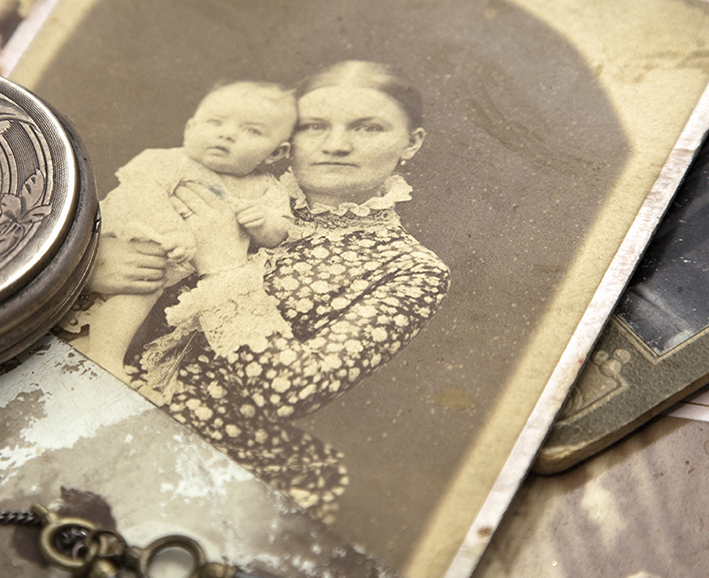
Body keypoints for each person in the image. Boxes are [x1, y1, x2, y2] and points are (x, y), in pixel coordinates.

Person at [83, 61, 450, 521]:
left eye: (368, 127)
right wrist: (89, 265)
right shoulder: (210, 175)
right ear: (287, 140)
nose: (336, 145)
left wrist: (224, 264)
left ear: (410, 143)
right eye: (315, 126)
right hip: (78, 397)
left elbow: (293, 389)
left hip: (200, 468)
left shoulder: (409, 268)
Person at [68, 80, 297, 371]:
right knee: (142, 281)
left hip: (172, 265)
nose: (227, 134)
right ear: (191, 129)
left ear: (276, 152)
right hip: (130, 236)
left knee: (144, 291)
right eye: (215, 123)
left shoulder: (266, 189)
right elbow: (143, 190)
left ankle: (99, 348)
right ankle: (105, 354)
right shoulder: (172, 160)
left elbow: (281, 232)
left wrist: (264, 224)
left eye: (251, 131)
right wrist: (172, 229)